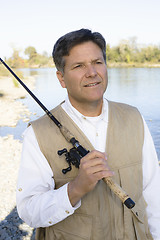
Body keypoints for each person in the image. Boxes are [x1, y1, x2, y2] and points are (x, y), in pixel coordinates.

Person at [16, 29, 160, 240]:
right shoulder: (37, 134)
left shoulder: (134, 117)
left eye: (97, 62)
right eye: (78, 66)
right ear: (61, 78)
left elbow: (153, 193)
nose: (92, 72)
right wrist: (75, 189)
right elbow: (29, 211)